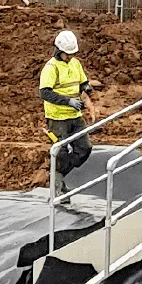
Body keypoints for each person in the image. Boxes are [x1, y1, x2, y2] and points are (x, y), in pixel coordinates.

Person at [41, 30, 93, 196]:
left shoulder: (75, 64)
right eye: (67, 54)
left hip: (75, 116)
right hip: (57, 118)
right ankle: (57, 184)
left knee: (84, 148)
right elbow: (45, 93)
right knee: (61, 151)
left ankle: (58, 174)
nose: (70, 57)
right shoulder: (51, 68)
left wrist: (86, 93)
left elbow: (83, 83)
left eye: (72, 54)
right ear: (58, 51)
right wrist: (68, 101)